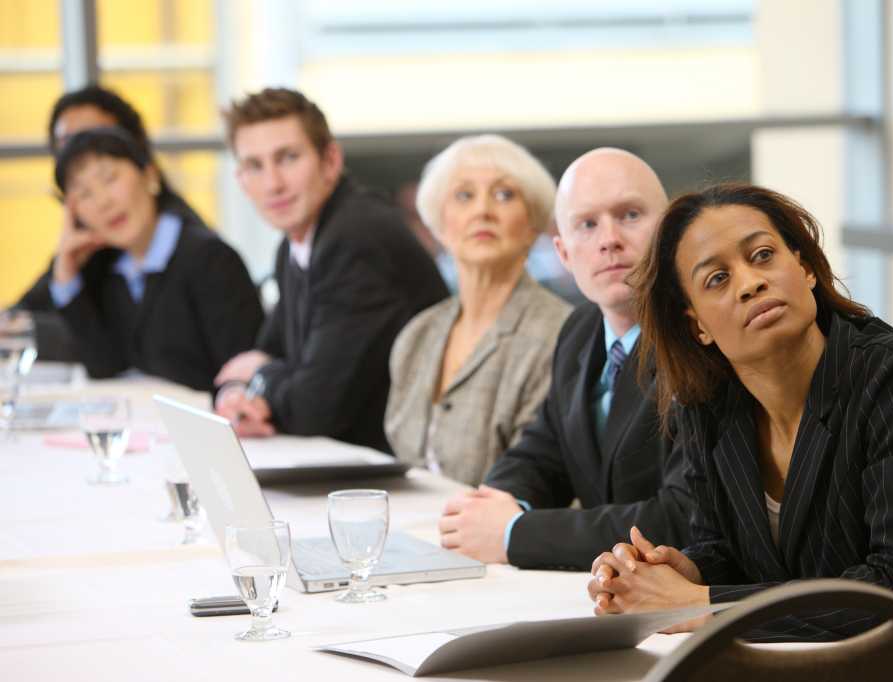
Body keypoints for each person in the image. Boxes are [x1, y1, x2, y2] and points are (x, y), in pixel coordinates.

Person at [587, 183, 893, 673]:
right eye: (717, 279)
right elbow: (724, 548)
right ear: (698, 327)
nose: (750, 283)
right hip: (808, 668)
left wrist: (701, 602)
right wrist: (681, 572)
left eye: (763, 255)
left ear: (806, 268)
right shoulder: (705, 407)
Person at [437, 148, 691, 570]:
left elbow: (681, 517)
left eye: (629, 215)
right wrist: (494, 504)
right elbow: (542, 452)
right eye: (587, 224)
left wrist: (513, 534)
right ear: (564, 253)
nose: (609, 238)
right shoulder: (580, 331)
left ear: (669, 230)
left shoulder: (702, 343)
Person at [213, 88, 448, 450]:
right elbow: (268, 352)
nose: (273, 183)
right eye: (254, 166)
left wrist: (258, 375)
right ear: (241, 180)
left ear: (331, 160)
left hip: (400, 474)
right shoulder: (296, 243)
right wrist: (239, 393)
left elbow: (314, 409)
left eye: (288, 158)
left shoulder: (356, 238)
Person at [385, 135, 571, 486]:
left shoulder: (560, 333)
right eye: (464, 195)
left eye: (504, 195)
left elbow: (539, 480)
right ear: (440, 225)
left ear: (533, 225)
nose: (482, 210)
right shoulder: (417, 334)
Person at [48, 127, 263, 391]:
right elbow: (103, 364)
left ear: (150, 175)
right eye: (84, 194)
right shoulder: (110, 266)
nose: (103, 202)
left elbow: (245, 378)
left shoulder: (210, 260)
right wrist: (66, 274)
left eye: (110, 178)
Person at [4, 84, 198, 361]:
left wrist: (24, 329)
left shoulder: (185, 241)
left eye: (96, 139)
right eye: (67, 145)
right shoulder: (94, 232)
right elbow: (31, 307)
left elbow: (121, 343)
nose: (80, 153)